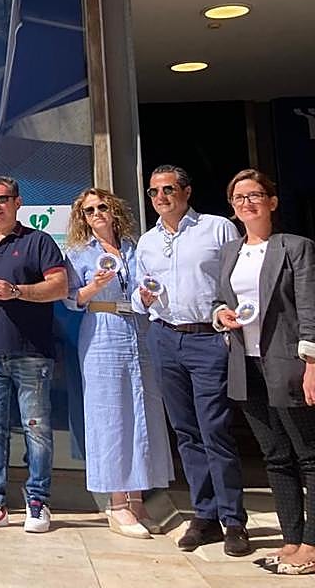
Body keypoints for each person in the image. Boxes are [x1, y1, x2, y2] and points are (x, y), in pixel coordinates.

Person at [137, 164, 249, 556]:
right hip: (165, 337)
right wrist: (142, 299)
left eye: (168, 189)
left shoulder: (217, 228)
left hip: (208, 338)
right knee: (185, 432)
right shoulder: (148, 241)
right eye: (154, 192)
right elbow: (140, 293)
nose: (160, 197)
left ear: (186, 192)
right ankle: (205, 516)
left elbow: (237, 279)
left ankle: (233, 520)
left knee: (215, 429)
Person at [213, 169, 315, 574]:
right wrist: (221, 315)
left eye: (255, 195)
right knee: (275, 456)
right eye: (239, 198)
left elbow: (309, 308)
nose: (247, 203)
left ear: (271, 202)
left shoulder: (295, 247)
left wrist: (312, 365)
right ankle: (291, 540)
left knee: (309, 456)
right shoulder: (231, 252)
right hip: (247, 365)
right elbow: (220, 301)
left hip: (289, 364)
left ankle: (311, 545)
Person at [0, 176, 67, 533]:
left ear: (17, 202)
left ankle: (38, 502)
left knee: (37, 430)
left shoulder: (39, 241)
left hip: (31, 352)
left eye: (2, 199)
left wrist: (17, 291)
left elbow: (60, 286)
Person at [64, 187, 173, 539]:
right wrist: (94, 286)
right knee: (110, 414)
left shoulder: (133, 248)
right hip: (102, 328)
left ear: (113, 210)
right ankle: (116, 503)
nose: (96, 213)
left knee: (143, 409)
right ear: (82, 218)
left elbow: (144, 286)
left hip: (138, 327)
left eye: (102, 207)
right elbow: (71, 298)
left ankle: (137, 499)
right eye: (89, 210)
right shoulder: (79, 253)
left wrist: (147, 296)